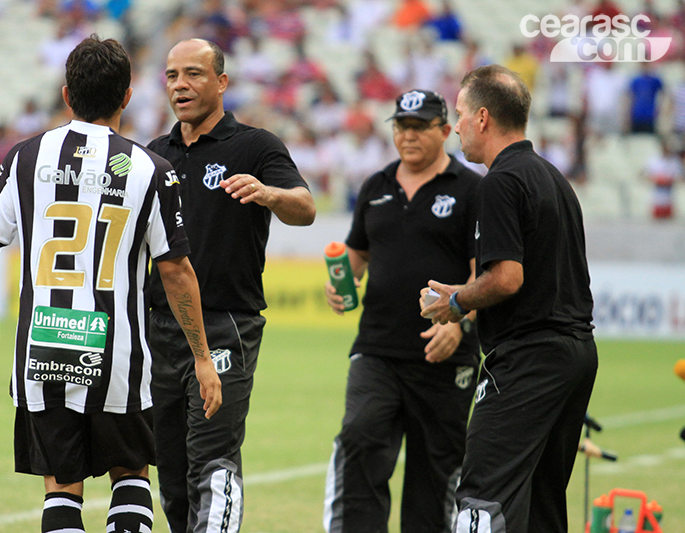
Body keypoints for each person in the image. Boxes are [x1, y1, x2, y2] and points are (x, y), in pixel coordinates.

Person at [0, 36, 222, 533]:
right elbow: (175, 270)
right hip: (117, 351)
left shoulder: (23, 158)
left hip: (42, 344)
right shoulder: (150, 168)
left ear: (67, 95)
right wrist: (201, 355)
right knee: (130, 474)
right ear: (127, 96)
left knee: (62, 484)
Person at [145, 38, 316, 533]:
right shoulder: (155, 154)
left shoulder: (256, 146)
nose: (181, 84)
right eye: (173, 74)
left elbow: (304, 208)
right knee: (172, 475)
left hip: (224, 328)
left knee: (212, 462)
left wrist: (269, 194)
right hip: (160, 329)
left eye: (194, 74)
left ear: (222, 82)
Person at [421, 65, 598, 533]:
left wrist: (455, 302)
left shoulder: (500, 181)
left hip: (529, 357)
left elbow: (506, 279)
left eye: (459, 114)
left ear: (482, 117)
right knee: (541, 502)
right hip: (575, 354)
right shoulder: (552, 177)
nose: (454, 126)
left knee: (483, 492)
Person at [323, 90, 480, 533]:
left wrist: (462, 326)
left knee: (436, 472)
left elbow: (482, 276)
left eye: (419, 126)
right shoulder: (375, 185)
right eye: (401, 126)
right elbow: (357, 255)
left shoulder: (472, 190)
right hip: (376, 349)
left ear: (445, 131)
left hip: (443, 354)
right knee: (358, 439)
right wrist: (341, 284)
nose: (408, 135)